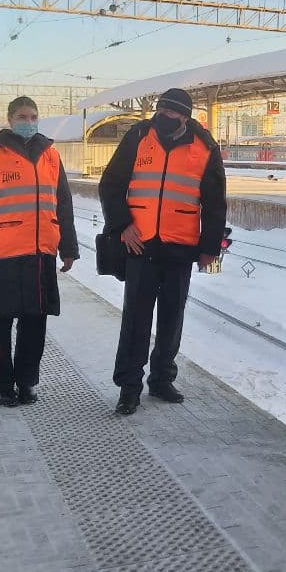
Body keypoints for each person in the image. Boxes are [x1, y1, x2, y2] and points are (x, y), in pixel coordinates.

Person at [99, 87, 227, 415]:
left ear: (186, 115)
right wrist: (122, 225)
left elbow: (215, 202)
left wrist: (210, 247)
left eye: (174, 113)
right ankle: (129, 387)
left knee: (172, 317)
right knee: (136, 320)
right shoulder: (138, 136)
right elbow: (111, 184)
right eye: (162, 110)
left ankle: (161, 379)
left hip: (180, 246)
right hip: (140, 242)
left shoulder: (205, 146)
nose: (166, 117)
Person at [0, 96, 78, 407]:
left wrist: (68, 248)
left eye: (33, 116)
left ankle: (27, 382)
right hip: (0, 254)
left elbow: (63, 204)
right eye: (22, 116)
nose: (28, 121)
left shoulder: (51, 156)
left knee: (34, 323)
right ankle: (1, 384)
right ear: (10, 120)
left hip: (40, 253)